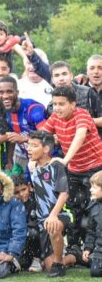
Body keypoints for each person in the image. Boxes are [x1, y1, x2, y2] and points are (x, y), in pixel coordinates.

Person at [41, 86, 102, 248]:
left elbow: (80, 135)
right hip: (75, 170)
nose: (57, 108)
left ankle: (97, 248)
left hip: (96, 169)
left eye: (61, 104)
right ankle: (74, 247)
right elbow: (42, 137)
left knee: (96, 209)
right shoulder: (54, 117)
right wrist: (35, 158)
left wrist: (65, 159)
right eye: (54, 104)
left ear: (73, 105)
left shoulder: (82, 114)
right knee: (74, 209)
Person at [26, 130, 71, 277]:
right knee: (47, 265)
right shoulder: (32, 167)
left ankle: (60, 264)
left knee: (53, 226)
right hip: (41, 219)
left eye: (33, 146)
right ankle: (72, 256)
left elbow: (64, 194)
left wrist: (53, 215)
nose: (29, 149)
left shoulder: (56, 165)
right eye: (28, 145)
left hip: (61, 213)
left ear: (46, 149)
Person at [0, 76, 47, 170]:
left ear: (17, 93)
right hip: (27, 157)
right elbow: (12, 137)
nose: (5, 96)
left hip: (46, 157)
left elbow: (46, 135)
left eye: (9, 91)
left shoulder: (33, 109)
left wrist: (23, 139)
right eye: (1, 92)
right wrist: (9, 160)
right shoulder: (3, 109)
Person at [48, 61, 102, 135]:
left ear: (71, 75)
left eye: (64, 74)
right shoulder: (51, 106)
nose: (61, 78)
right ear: (52, 80)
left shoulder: (87, 92)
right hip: (67, 145)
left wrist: (83, 121)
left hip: (94, 142)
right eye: (57, 75)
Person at [11, 174, 42, 272]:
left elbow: (36, 226)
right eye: (16, 192)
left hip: (35, 241)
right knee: (15, 267)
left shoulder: (37, 201)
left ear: (29, 186)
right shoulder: (10, 204)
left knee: (32, 232)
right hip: (17, 242)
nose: (21, 194)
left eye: (23, 190)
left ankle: (37, 259)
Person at [83, 170, 102, 277]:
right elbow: (91, 231)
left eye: (94, 187)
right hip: (100, 248)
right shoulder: (93, 206)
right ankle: (92, 258)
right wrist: (88, 248)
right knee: (95, 272)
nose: (90, 190)